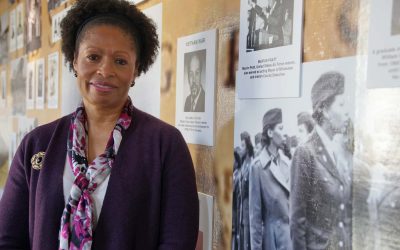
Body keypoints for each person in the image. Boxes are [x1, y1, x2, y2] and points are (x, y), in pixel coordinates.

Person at [0, 0, 199, 249]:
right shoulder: (36, 143)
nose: (105, 71)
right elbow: (7, 238)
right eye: (93, 57)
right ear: (74, 60)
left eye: (120, 61)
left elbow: (177, 242)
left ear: (136, 69)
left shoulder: (165, 144)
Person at [290, 71, 352, 250]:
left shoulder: (336, 151)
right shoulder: (305, 153)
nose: (347, 111)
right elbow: (297, 223)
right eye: (341, 104)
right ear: (324, 109)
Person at [249, 108, 292, 250]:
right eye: (281, 128)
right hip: (272, 242)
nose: (284, 133)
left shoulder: (287, 163)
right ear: (270, 133)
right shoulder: (258, 167)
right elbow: (255, 219)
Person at [237, 131, 254, 250]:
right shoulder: (243, 165)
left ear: (248, 146)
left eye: (243, 146)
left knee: (247, 243)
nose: (241, 149)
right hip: (242, 210)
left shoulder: (251, 165)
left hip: (249, 211)